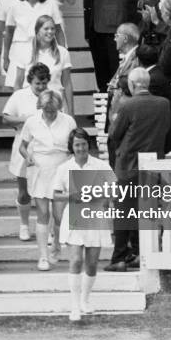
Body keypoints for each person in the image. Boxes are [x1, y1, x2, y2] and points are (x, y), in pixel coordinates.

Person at [105, 68, 171, 272]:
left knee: (123, 212)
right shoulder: (164, 104)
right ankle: (139, 253)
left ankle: (119, 257)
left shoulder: (127, 105)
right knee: (145, 211)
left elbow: (114, 134)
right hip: (152, 167)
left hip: (128, 166)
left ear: (132, 85)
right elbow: (168, 138)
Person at [53, 128, 113, 321]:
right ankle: (74, 306)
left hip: (95, 216)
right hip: (74, 216)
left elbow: (114, 189)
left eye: (84, 144)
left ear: (89, 145)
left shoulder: (100, 165)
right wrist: (70, 196)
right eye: (77, 145)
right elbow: (55, 194)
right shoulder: (64, 168)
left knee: (92, 263)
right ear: (72, 147)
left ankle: (85, 300)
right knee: (76, 260)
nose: (81, 148)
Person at [19, 90, 77, 271]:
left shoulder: (68, 121)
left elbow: (76, 145)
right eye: (46, 110)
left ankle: (56, 246)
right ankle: (43, 257)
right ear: (41, 107)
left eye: (53, 110)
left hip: (62, 169)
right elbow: (23, 146)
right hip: (40, 170)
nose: (50, 114)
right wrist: (27, 157)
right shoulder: (32, 121)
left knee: (59, 216)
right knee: (43, 214)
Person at [2, 62, 50, 241]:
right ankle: (24, 225)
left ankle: (46, 228)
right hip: (22, 145)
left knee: (46, 191)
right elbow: (5, 118)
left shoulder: (52, 96)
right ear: (30, 81)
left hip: (46, 148)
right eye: (38, 83)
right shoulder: (19, 96)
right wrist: (24, 119)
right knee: (24, 191)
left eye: (44, 83)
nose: (41, 87)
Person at [3, 0, 64, 88]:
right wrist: (5, 58)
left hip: (43, 50)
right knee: (18, 90)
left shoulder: (50, 4)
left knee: (44, 86)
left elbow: (58, 31)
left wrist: (62, 53)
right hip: (19, 50)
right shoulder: (15, 5)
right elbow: (9, 33)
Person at [14, 15, 73, 115]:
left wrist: (71, 113)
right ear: (37, 30)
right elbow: (18, 84)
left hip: (56, 106)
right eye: (46, 28)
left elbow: (67, 84)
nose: (50, 32)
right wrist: (18, 110)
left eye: (52, 28)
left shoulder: (63, 52)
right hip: (30, 106)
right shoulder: (24, 51)